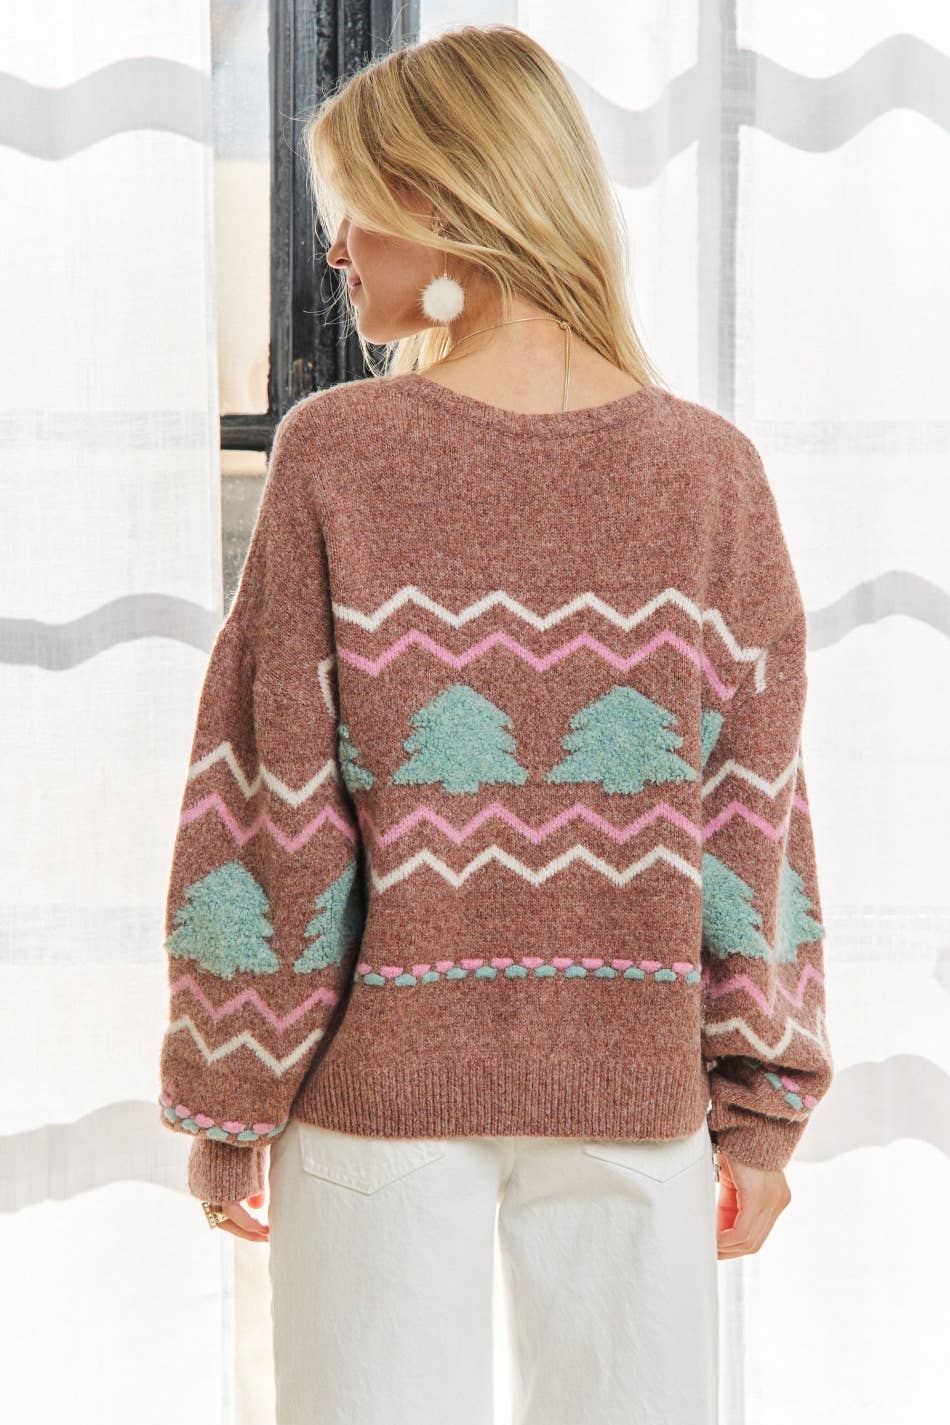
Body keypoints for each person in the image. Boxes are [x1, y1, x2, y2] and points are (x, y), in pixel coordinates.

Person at [156, 23, 832, 1425]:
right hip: (630, 1101)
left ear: (443, 200)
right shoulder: (710, 473)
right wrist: (760, 1103)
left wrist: (229, 1093)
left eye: (354, 209)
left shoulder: (340, 453)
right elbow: (750, 825)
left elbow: (272, 806)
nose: (336, 250)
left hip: (377, 1107)